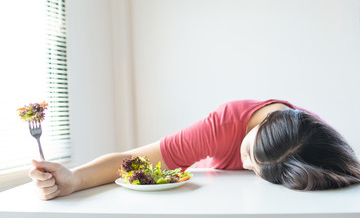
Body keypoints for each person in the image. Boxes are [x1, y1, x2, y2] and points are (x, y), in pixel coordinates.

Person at [29, 99, 360, 200]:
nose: (245, 166)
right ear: (258, 125)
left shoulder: (312, 140)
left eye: (258, 170)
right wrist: (72, 179)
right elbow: (134, 161)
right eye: (248, 154)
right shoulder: (222, 126)